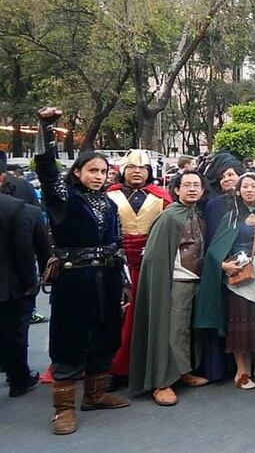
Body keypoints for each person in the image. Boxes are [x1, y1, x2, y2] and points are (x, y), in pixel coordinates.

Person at [33, 108, 129, 435]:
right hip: (75, 279)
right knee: (70, 339)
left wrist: (124, 283)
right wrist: (46, 129)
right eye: (92, 170)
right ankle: (63, 409)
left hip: (108, 278)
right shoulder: (64, 199)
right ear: (77, 172)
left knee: (105, 335)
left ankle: (96, 394)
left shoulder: (110, 203)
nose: (99, 176)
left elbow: (117, 244)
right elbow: (47, 171)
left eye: (103, 171)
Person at [194, 172, 255, 390]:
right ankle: (241, 371)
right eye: (245, 187)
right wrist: (224, 265)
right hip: (241, 276)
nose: (249, 190)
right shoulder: (231, 217)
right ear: (239, 191)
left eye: (253, 186)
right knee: (241, 324)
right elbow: (216, 248)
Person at [129, 171, 210, 406]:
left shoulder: (198, 214)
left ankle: (183, 371)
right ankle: (162, 382)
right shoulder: (168, 217)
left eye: (196, 185)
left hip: (197, 279)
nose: (192, 189)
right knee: (172, 330)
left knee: (188, 331)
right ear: (177, 189)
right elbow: (155, 257)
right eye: (187, 185)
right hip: (176, 280)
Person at [106, 149, 173, 380]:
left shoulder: (162, 196)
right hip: (117, 264)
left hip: (151, 264)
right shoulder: (109, 195)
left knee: (148, 315)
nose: (137, 172)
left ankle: (148, 365)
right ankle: (113, 367)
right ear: (123, 170)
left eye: (142, 168)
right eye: (132, 167)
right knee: (116, 315)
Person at [0, 181, 40, 398]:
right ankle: (18, 378)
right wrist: (30, 283)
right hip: (10, 285)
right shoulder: (14, 207)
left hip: (9, 284)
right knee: (15, 332)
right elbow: (23, 250)